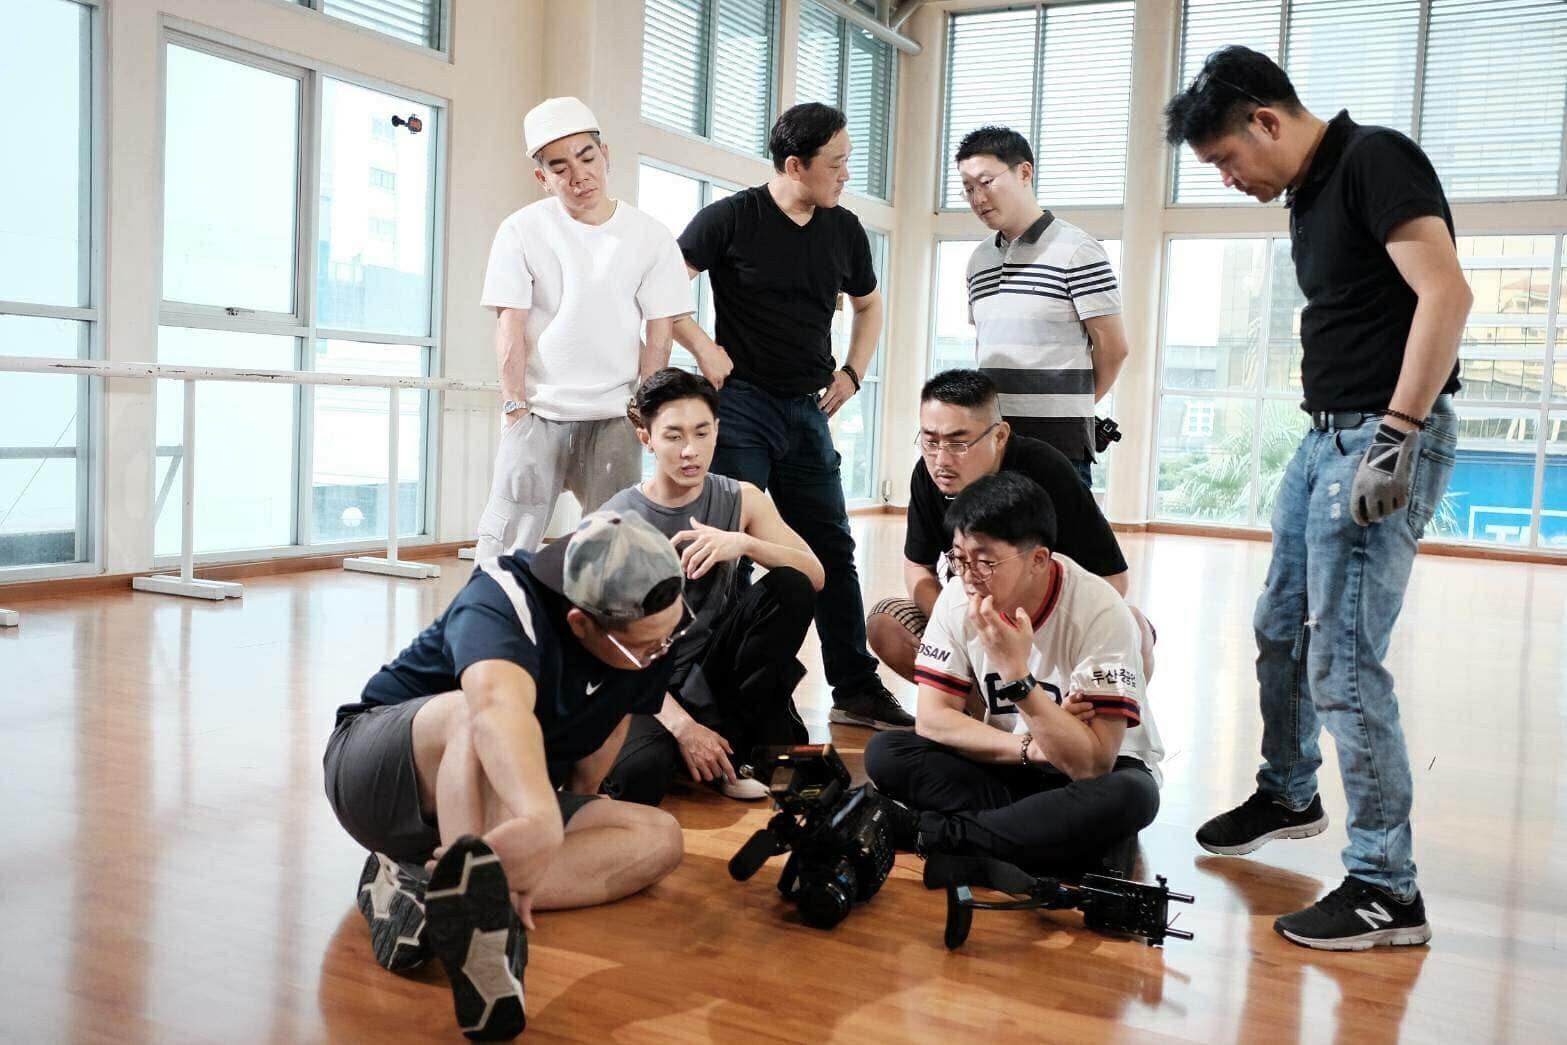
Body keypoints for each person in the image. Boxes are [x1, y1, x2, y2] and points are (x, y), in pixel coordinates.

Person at [1165, 46, 1470, 950]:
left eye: (1226, 159)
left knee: (1342, 660)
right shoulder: (1307, 191)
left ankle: (1385, 886)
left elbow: (1445, 293)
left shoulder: (1373, 158)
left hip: (1380, 433)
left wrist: (1397, 433)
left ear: (1265, 119)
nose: (1227, 179)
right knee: (1279, 625)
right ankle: (1288, 790)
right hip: (1322, 438)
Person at [323, 511, 689, 1039]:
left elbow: (613, 721)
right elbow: (496, 708)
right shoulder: (503, 595)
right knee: (471, 713)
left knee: (657, 836)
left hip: (494, 806)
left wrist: (578, 804)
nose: (661, 651)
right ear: (581, 623)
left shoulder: (648, 638)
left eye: (669, 635)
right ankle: (486, 931)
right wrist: (541, 820)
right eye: (648, 645)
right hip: (377, 774)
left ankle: (427, 893)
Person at [670, 102, 911, 730]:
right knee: (730, 554)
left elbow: (869, 305)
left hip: (808, 412)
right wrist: (704, 348)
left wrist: (852, 372)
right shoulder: (731, 218)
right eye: (836, 164)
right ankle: (710, 690)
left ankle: (854, 687)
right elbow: (661, 288)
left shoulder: (844, 228)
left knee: (830, 548)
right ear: (795, 165)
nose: (845, 175)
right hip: (743, 406)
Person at [863, 472, 1162, 875]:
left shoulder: (1100, 612)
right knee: (887, 753)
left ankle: (933, 834)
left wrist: (1016, 674)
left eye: (985, 562)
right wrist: (1032, 748)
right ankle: (1042, 836)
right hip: (1011, 761)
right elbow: (933, 719)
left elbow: (1091, 765)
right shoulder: (957, 597)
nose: (968, 575)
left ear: (1038, 559)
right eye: (958, 558)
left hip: (1092, 777)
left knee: (1133, 796)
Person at [474, 96, 694, 558]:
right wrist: (514, 408)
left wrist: (645, 409)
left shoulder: (651, 236)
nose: (578, 175)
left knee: (611, 545)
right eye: (560, 167)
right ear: (543, 178)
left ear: (605, 155)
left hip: (616, 414)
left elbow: (660, 333)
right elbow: (509, 324)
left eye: (586, 157)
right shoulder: (520, 230)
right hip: (536, 413)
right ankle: (494, 606)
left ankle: (596, 609)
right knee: (506, 543)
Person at [598, 368, 825, 806]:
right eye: (673, 436)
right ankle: (711, 744)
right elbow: (612, 653)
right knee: (638, 777)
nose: (691, 450)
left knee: (790, 586)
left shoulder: (741, 498)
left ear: (717, 430)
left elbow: (814, 575)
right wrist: (683, 727)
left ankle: (730, 738)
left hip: (713, 670)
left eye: (702, 433)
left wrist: (744, 543)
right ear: (646, 438)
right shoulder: (616, 520)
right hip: (644, 682)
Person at [866, 369, 1152, 686]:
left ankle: (1067, 711)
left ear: (1000, 436)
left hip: (1049, 628)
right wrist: (957, 623)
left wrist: (1030, 630)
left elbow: (1113, 579)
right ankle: (982, 712)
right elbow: (917, 567)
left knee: (1134, 627)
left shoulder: (1047, 471)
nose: (941, 460)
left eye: (958, 443)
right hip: (974, 617)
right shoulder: (928, 474)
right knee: (887, 625)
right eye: (930, 441)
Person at [955, 126, 1132, 487]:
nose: (977, 197)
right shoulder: (979, 260)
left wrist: (1069, 409)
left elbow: (1114, 349)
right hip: (994, 445)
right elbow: (990, 347)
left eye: (986, 182)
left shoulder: (1078, 250)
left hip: (1059, 449)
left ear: (1024, 172)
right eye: (968, 188)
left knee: (1061, 527)